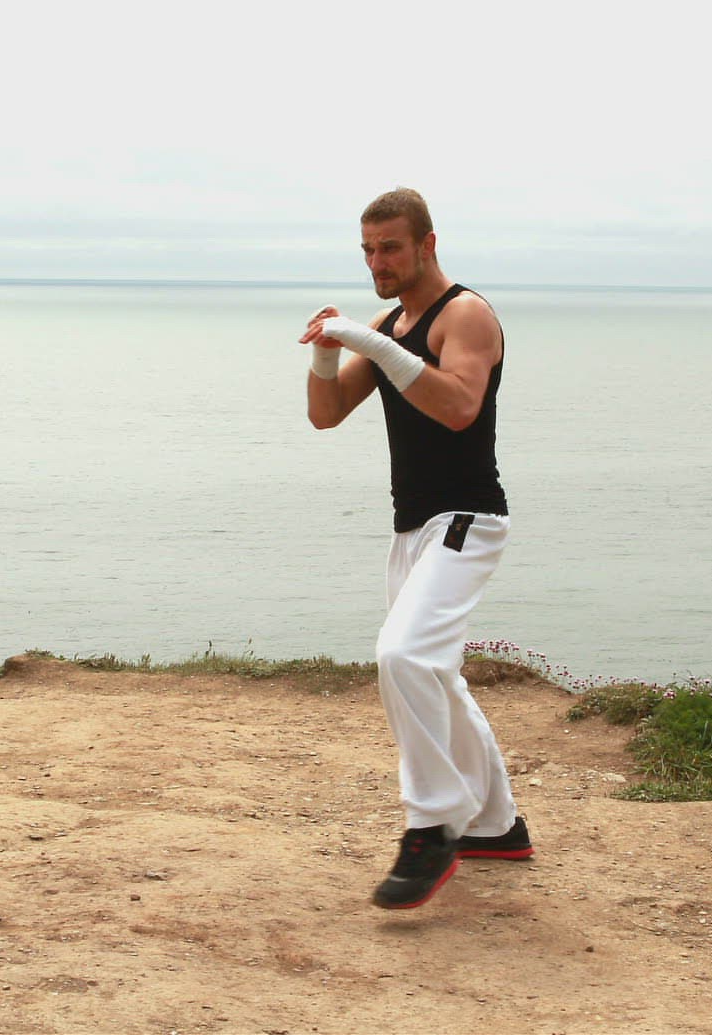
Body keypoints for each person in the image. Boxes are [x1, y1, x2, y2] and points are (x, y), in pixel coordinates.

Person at [299, 187, 532, 910]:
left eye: (391, 247)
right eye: (368, 250)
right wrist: (328, 354)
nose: (378, 262)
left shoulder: (465, 314)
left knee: (402, 657)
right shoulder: (390, 324)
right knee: (436, 674)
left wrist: (370, 344)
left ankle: (432, 828)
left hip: (467, 520)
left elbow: (459, 407)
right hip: (413, 529)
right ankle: (497, 826)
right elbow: (326, 414)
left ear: (428, 243)